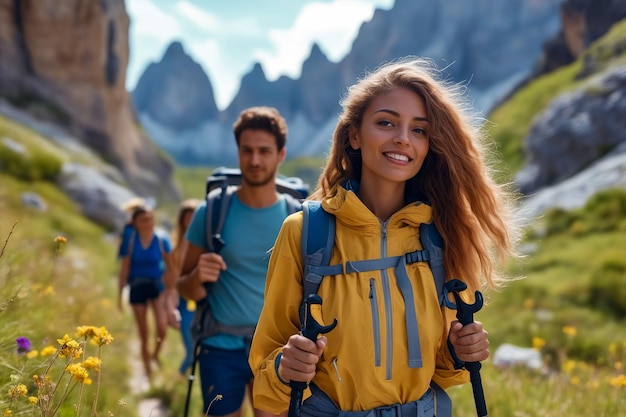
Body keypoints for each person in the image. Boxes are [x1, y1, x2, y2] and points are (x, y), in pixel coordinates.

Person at [249, 57, 519, 417]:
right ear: (355, 135)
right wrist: (286, 367)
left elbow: (445, 371)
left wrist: (459, 350)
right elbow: (266, 389)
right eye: (386, 122)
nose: (403, 139)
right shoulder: (303, 233)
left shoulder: (441, 236)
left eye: (419, 129)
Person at [177, 106, 295, 417]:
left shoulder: (296, 218)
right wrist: (196, 278)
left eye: (264, 151)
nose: (255, 160)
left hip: (276, 351)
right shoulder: (211, 212)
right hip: (220, 348)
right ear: (238, 152)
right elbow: (183, 287)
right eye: (247, 150)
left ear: (280, 154)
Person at [117, 204, 175, 381]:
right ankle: (147, 370)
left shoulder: (162, 240)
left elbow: (171, 269)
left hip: (156, 287)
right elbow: (124, 270)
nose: (148, 222)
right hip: (137, 288)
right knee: (144, 333)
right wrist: (119, 297)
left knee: (162, 328)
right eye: (144, 220)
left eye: (150, 218)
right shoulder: (131, 241)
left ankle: (154, 355)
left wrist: (171, 293)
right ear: (135, 223)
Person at [170, 198, 201, 376]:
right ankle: (177, 381)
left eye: (194, 217)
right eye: (187, 217)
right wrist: (171, 308)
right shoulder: (176, 247)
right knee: (190, 350)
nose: (190, 222)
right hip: (183, 304)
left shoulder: (206, 245)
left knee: (199, 350)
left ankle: (180, 383)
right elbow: (172, 282)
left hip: (202, 303)